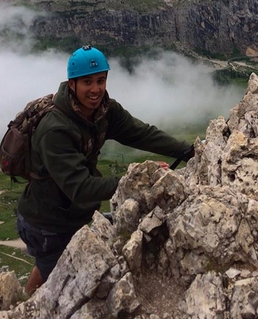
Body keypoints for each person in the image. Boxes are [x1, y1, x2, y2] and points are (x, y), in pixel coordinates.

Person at [17, 45, 194, 295]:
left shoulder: (104, 111)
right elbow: (81, 188)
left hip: (68, 216)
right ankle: (26, 308)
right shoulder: (55, 129)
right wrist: (138, 180)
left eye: (101, 80)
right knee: (60, 290)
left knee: (48, 270)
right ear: (72, 84)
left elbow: (141, 134)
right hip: (46, 222)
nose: (96, 89)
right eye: (87, 82)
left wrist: (187, 151)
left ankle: (24, 302)